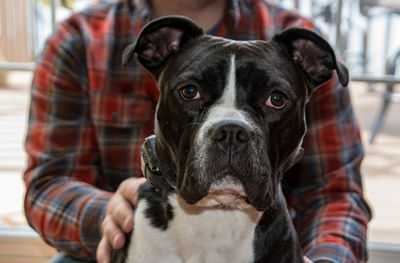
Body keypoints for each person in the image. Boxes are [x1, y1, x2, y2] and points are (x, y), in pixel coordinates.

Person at [23, 0, 372, 262]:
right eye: (190, 93)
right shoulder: (80, 39)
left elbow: (336, 192)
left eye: (275, 99)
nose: (232, 133)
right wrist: (112, 218)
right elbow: (47, 184)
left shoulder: (297, 42)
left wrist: (327, 259)